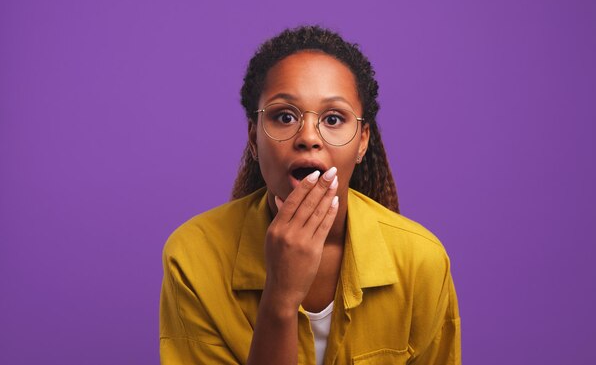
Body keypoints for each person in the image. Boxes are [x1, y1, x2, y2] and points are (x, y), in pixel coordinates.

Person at [159, 26, 461, 365]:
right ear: (253, 136)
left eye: (333, 118)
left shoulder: (423, 261)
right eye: (284, 116)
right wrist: (281, 298)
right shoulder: (192, 258)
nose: (308, 137)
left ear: (362, 141)